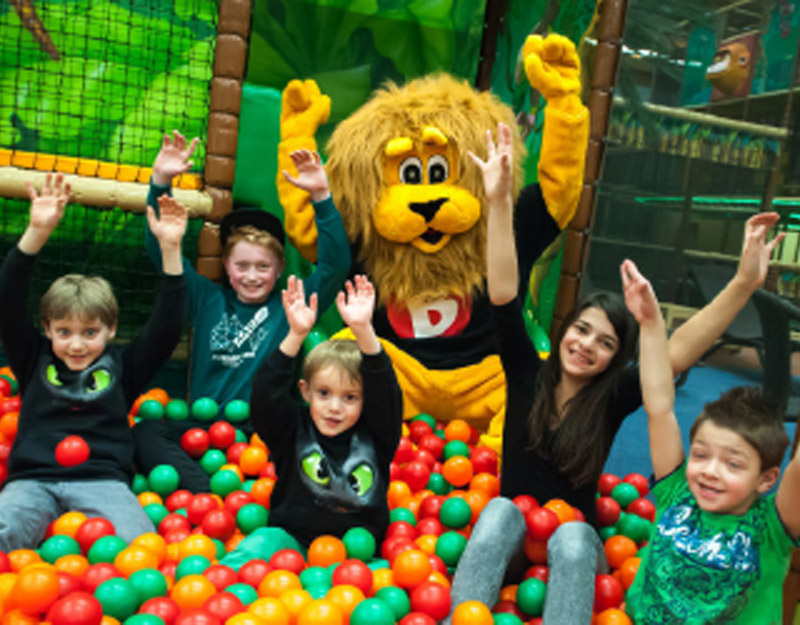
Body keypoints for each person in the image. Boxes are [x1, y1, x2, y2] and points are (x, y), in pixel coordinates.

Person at [443, 122, 787, 625]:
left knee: (574, 534)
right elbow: (502, 294)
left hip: (572, 559)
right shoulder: (525, 372)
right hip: (515, 548)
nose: (586, 346)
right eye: (581, 330)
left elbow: (678, 352)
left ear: (615, 358)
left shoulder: (612, 396)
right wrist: (498, 205)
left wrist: (740, 284)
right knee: (499, 512)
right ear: (564, 330)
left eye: (605, 343)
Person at [133, 132, 351, 492]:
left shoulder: (292, 302)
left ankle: (226, 493)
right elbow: (162, 249)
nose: (252, 277)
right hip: (205, 430)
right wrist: (160, 183)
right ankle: (207, 494)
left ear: (279, 269)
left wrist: (321, 197)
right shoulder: (205, 298)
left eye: (263, 267)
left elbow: (335, 265)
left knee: (311, 445)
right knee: (145, 431)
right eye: (242, 266)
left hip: (261, 434)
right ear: (226, 265)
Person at [0, 173, 188, 549]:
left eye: (90, 332)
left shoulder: (124, 366)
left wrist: (170, 250)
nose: (76, 345)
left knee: (141, 550)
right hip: (32, 481)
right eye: (64, 332)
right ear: (47, 329)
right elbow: (7, 298)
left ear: (111, 329)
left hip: (102, 480)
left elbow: (167, 326)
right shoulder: (33, 357)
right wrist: (36, 233)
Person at [622, 258, 798, 624]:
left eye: (733, 463)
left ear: (766, 479)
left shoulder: (770, 529)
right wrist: (651, 324)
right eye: (700, 455)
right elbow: (658, 405)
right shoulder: (676, 493)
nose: (710, 472)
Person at [219, 274, 402, 570]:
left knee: (386, 591)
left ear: (366, 402)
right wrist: (295, 335)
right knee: (257, 546)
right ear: (305, 391)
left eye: (350, 398)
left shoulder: (376, 435)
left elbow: (386, 393)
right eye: (324, 393)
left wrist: (364, 331)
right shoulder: (291, 430)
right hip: (292, 543)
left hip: (357, 555)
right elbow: (266, 396)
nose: (334, 408)